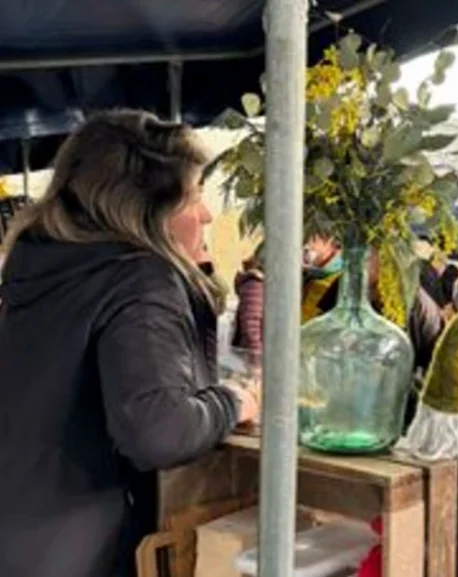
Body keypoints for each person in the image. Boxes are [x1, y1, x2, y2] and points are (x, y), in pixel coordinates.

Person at [0, 110, 258, 577]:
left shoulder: (44, 266)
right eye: (194, 196)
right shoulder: (140, 279)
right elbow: (159, 432)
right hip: (76, 553)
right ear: (149, 210)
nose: (206, 214)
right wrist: (232, 402)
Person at [232, 238, 265, 360]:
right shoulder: (256, 284)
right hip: (257, 355)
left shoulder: (263, 283)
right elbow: (251, 324)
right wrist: (257, 358)